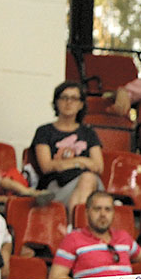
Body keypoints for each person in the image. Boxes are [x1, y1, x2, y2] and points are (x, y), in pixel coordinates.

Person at [30, 81, 103, 214]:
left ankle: (73, 225)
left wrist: (62, 164)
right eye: (64, 98)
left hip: (89, 184)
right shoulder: (44, 131)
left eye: (74, 98)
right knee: (88, 179)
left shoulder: (89, 133)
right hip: (56, 186)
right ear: (56, 102)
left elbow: (98, 166)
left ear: (81, 104)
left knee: (88, 179)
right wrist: (81, 161)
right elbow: (46, 166)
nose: (69, 102)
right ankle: (77, 224)